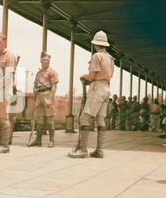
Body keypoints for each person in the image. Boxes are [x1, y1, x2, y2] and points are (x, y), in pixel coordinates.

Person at [68, 30, 114, 159]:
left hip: (97, 88)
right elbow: (108, 75)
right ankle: (99, 150)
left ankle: (82, 149)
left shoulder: (96, 56)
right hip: (107, 88)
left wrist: (84, 77)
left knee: (85, 118)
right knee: (100, 119)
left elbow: (92, 75)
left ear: (95, 44)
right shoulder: (110, 58)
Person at [28, 52, 59, 148]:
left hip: (47, 95)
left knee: (50, 119)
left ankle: (51, 140)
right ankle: (38, 141)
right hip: (39, 96)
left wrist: (50, 98)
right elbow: (35, 85)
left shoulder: (52, 72)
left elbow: (54, 86)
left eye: (47, 60)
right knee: (40, 119)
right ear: (41, 61)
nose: (46, 62)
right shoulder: (38, 73)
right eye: (44, 60)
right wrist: (34, 90)